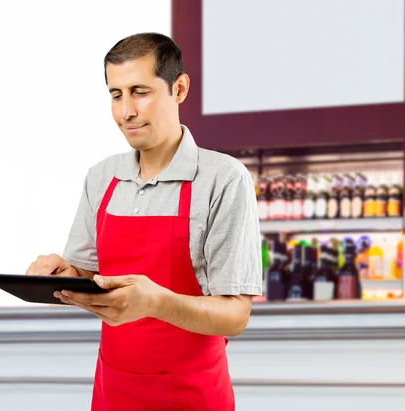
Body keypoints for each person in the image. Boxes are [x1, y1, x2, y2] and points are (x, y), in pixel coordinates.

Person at [25, 32, 262, 411]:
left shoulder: (222, 178)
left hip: (191, 393)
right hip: (113, 388)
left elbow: (235, 315)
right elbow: (91, 277)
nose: (125, 112)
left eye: (140, 91)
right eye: (116, 95)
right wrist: (63, 277)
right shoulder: (102, 177)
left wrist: (157, 303)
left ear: (179, 88)